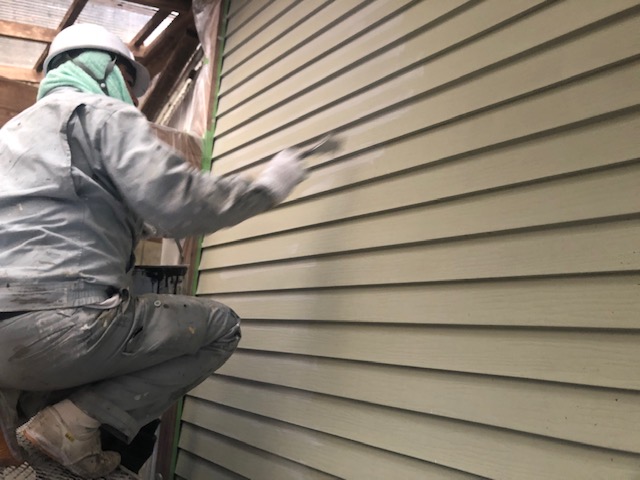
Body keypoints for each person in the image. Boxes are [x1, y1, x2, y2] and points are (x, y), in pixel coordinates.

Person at [0, 24, 306, 477]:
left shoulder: (10, 135)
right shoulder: (102, 112)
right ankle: (68, 429)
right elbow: (181, 203)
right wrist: (266, 188)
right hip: (65, 325)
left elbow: (80, 209)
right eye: (129, 85)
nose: (133, 99)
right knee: (220, 327)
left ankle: (58, 436)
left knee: (53, 448)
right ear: (106, 70)